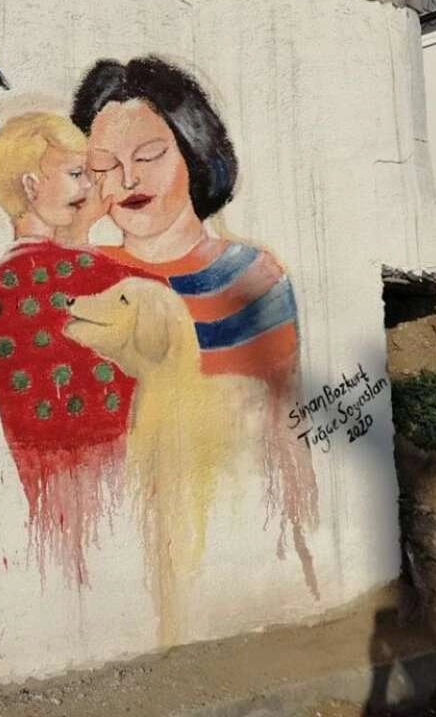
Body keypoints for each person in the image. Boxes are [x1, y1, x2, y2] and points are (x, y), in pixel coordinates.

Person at [71, 55, 319, 597]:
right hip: (117, 551)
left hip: (234, 531)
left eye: (149, 156)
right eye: (104, 165)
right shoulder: (84, 280)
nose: (128, 180)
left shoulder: (254, 276)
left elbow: (278, 425)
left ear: (193, 149)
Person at [0, 111, 143, 586]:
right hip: (113, 490)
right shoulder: (79, 274)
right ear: (31, 186)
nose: (90, 187)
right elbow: (160, 307)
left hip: (49, 496)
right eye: (75, 174)